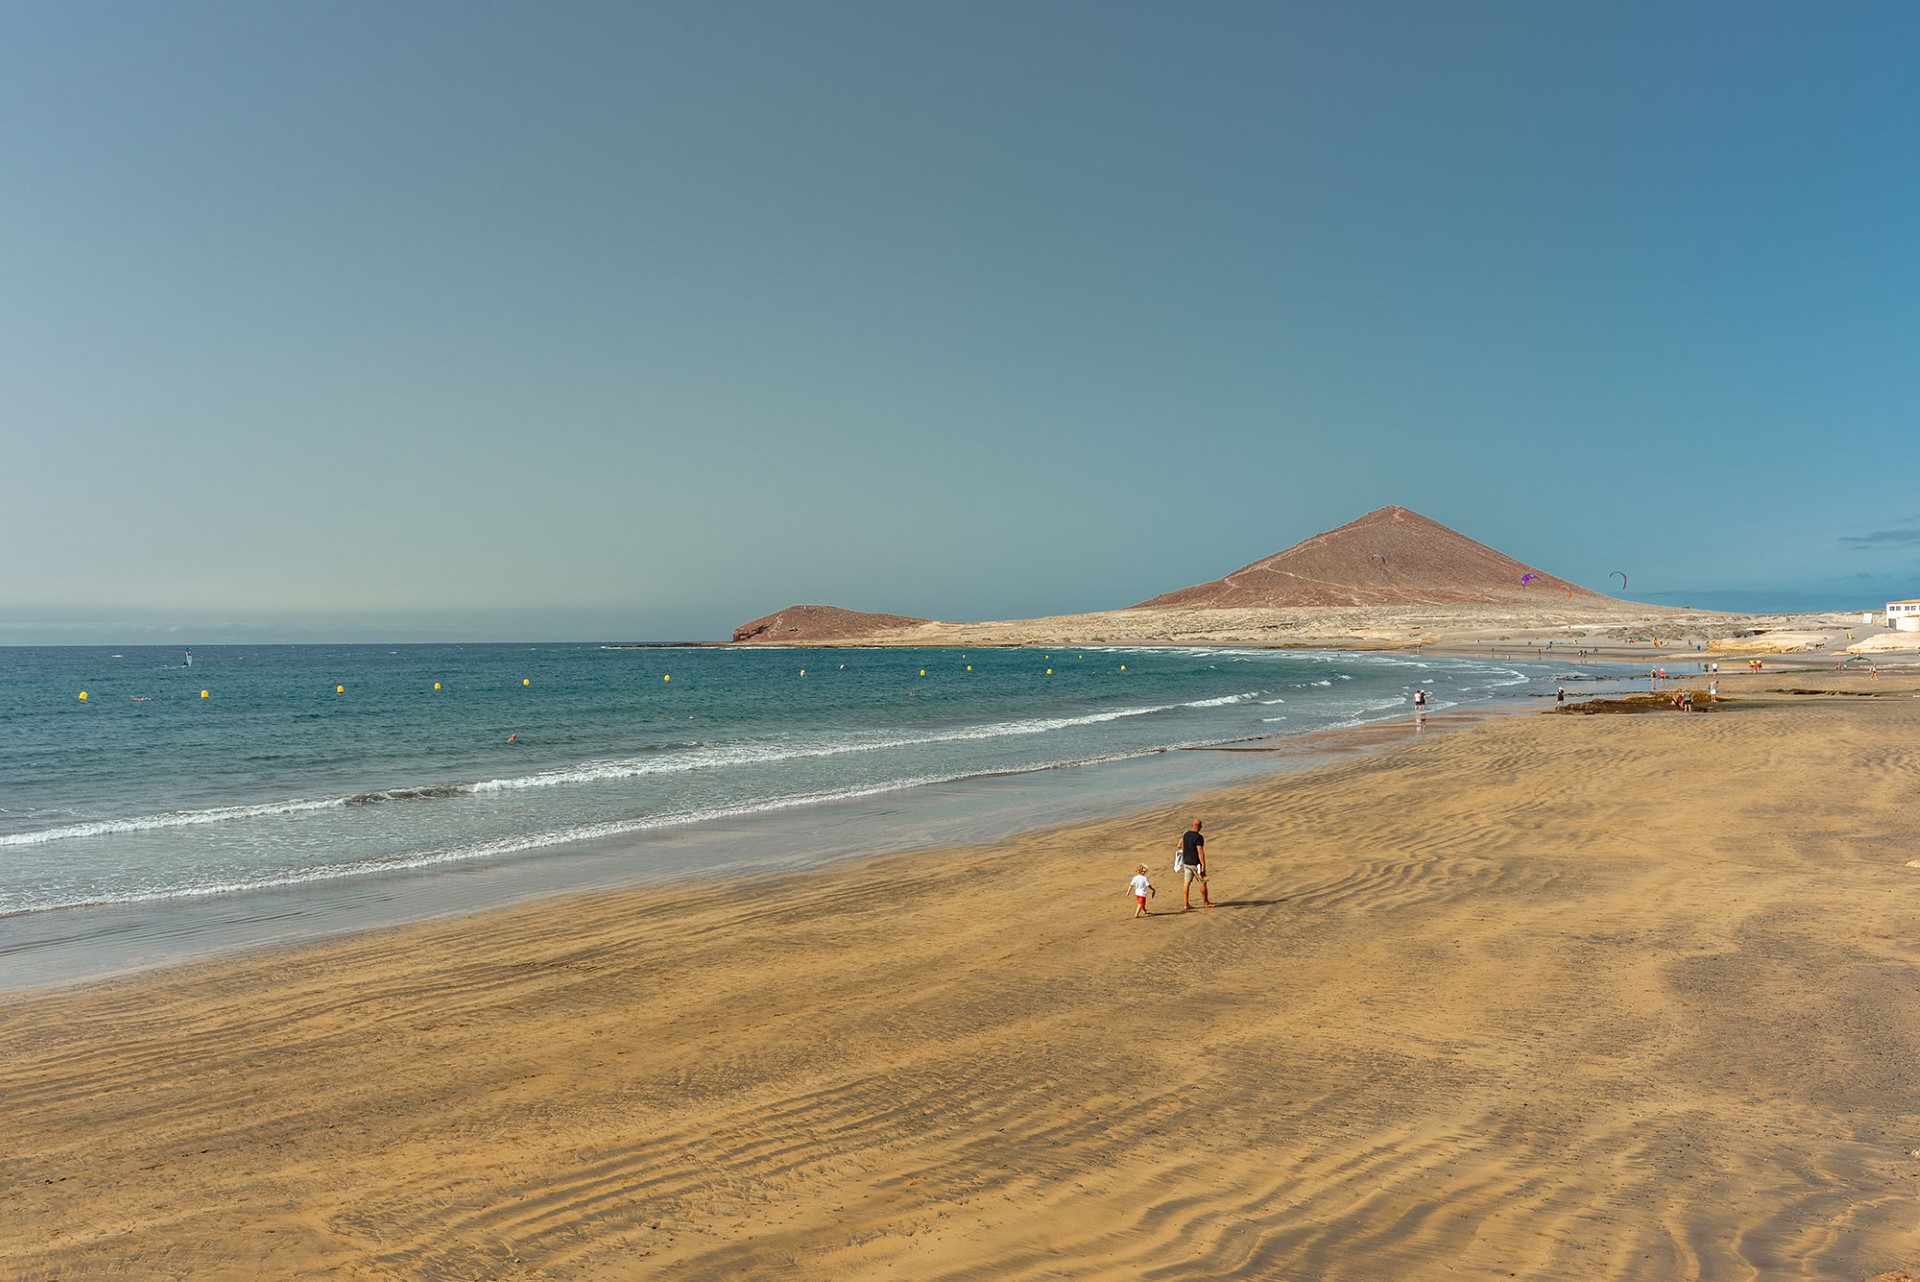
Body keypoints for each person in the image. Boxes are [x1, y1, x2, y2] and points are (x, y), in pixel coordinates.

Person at [1175, 818, 1212, 909]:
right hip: (1196, 864)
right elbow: (1200, 852)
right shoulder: (1199, 837)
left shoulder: (1185, 834)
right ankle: (1205, 902)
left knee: (1187, 882)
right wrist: (1203, 864)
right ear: (1199, 827)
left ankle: (1186, 904)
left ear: (1192, 825)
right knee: (1203, 882)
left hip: (1186, 862)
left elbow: (1179, 845)